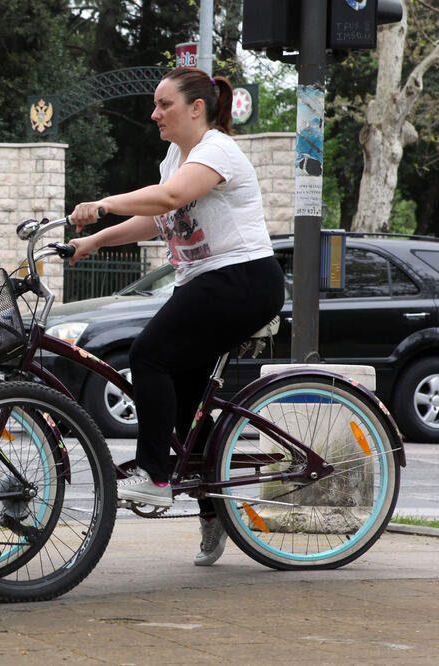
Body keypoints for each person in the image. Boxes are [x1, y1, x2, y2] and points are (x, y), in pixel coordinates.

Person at [68, 67, 285, 566]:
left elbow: (169, 197)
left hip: (242, 279)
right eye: (154, 104)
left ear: (196, 108)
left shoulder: (216, 150)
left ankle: (156, 476)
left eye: (164, 104)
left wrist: (101, 205)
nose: (154, 113)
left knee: (148, 355)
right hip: (205, 282)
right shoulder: (176, 156)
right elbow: (158, 217)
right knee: (186, 411)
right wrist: (95, 240)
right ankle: (212, 506)